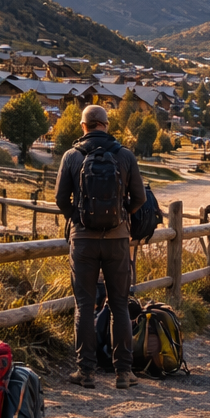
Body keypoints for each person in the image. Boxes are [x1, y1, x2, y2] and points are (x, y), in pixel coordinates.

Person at [56, 105, 146, 389]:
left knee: (84, 305)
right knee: (119, 304)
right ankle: (123, 373)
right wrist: (122, 216)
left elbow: (61, 199)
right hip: (118, 240)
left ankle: (85, 372)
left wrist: (78, 220)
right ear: (106, 125)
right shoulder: (125, 155)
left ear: (83, 126)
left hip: (82, 241)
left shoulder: (71, 156)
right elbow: (140, 197)